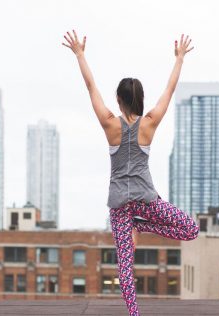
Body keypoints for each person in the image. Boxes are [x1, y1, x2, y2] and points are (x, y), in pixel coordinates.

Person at [62, 29, 199, 316]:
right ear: (140, 99)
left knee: (125, 264)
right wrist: (179, 59)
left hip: (121, 206)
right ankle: (142, 226)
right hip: (146, 202)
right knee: (191, 229)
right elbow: (169, 91)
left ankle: (134, 313)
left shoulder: (110, 123)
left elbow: (91, 88)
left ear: (119, 99)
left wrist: (80, 55)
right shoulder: (149, 123)